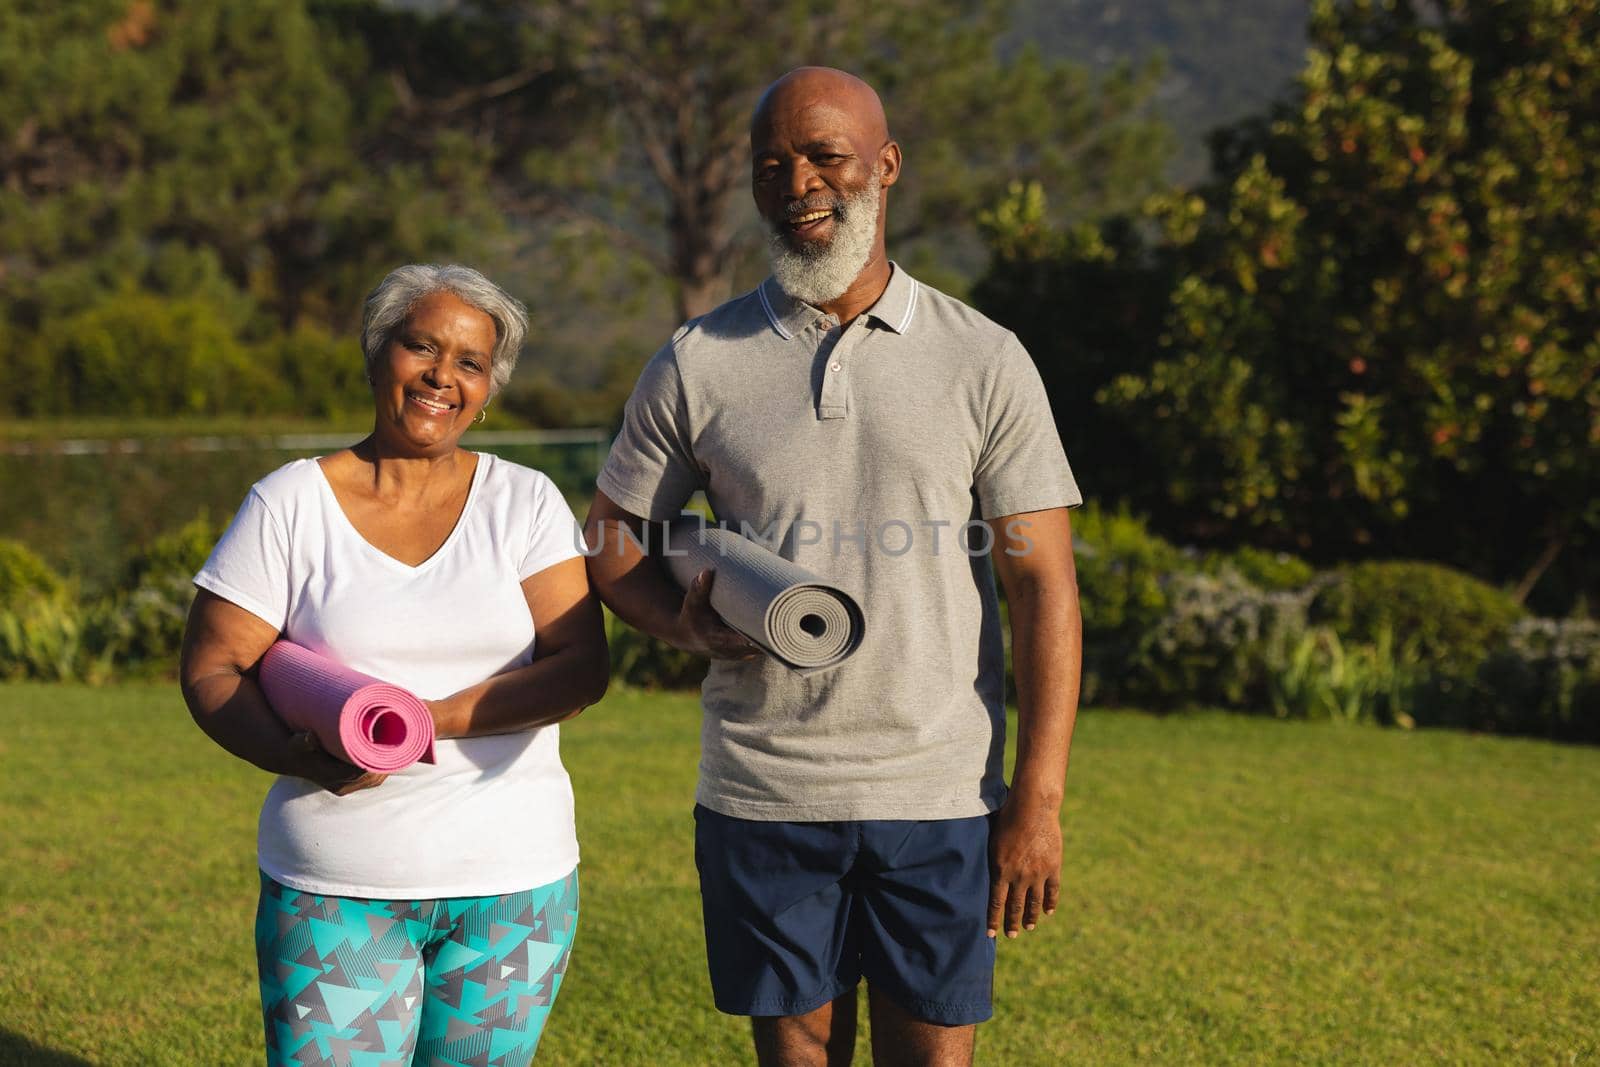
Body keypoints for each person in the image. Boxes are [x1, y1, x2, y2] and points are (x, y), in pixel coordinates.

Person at [585, 68, 1084, 1066]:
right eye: (773, 164)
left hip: (937, 790)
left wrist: (1037, 797)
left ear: (886, 166)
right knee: (796, 1056)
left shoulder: (982, 358)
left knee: (930, 1055)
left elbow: (1040, 583)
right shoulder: (698, 359)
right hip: (762, 786)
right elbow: (610, 536)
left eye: (825, 157)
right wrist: (681, 623)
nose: (799, 181)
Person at [179, 263, 608, 1066]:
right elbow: (212, 668)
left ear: (489, 388)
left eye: (470, 363)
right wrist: (301, 757)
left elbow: (580, 666)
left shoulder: (526, 502)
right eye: (422, 346)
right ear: (379, 352)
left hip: (512, 889)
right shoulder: (290, 504)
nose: (443, 376)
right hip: (338, 885)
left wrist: (427, 721)